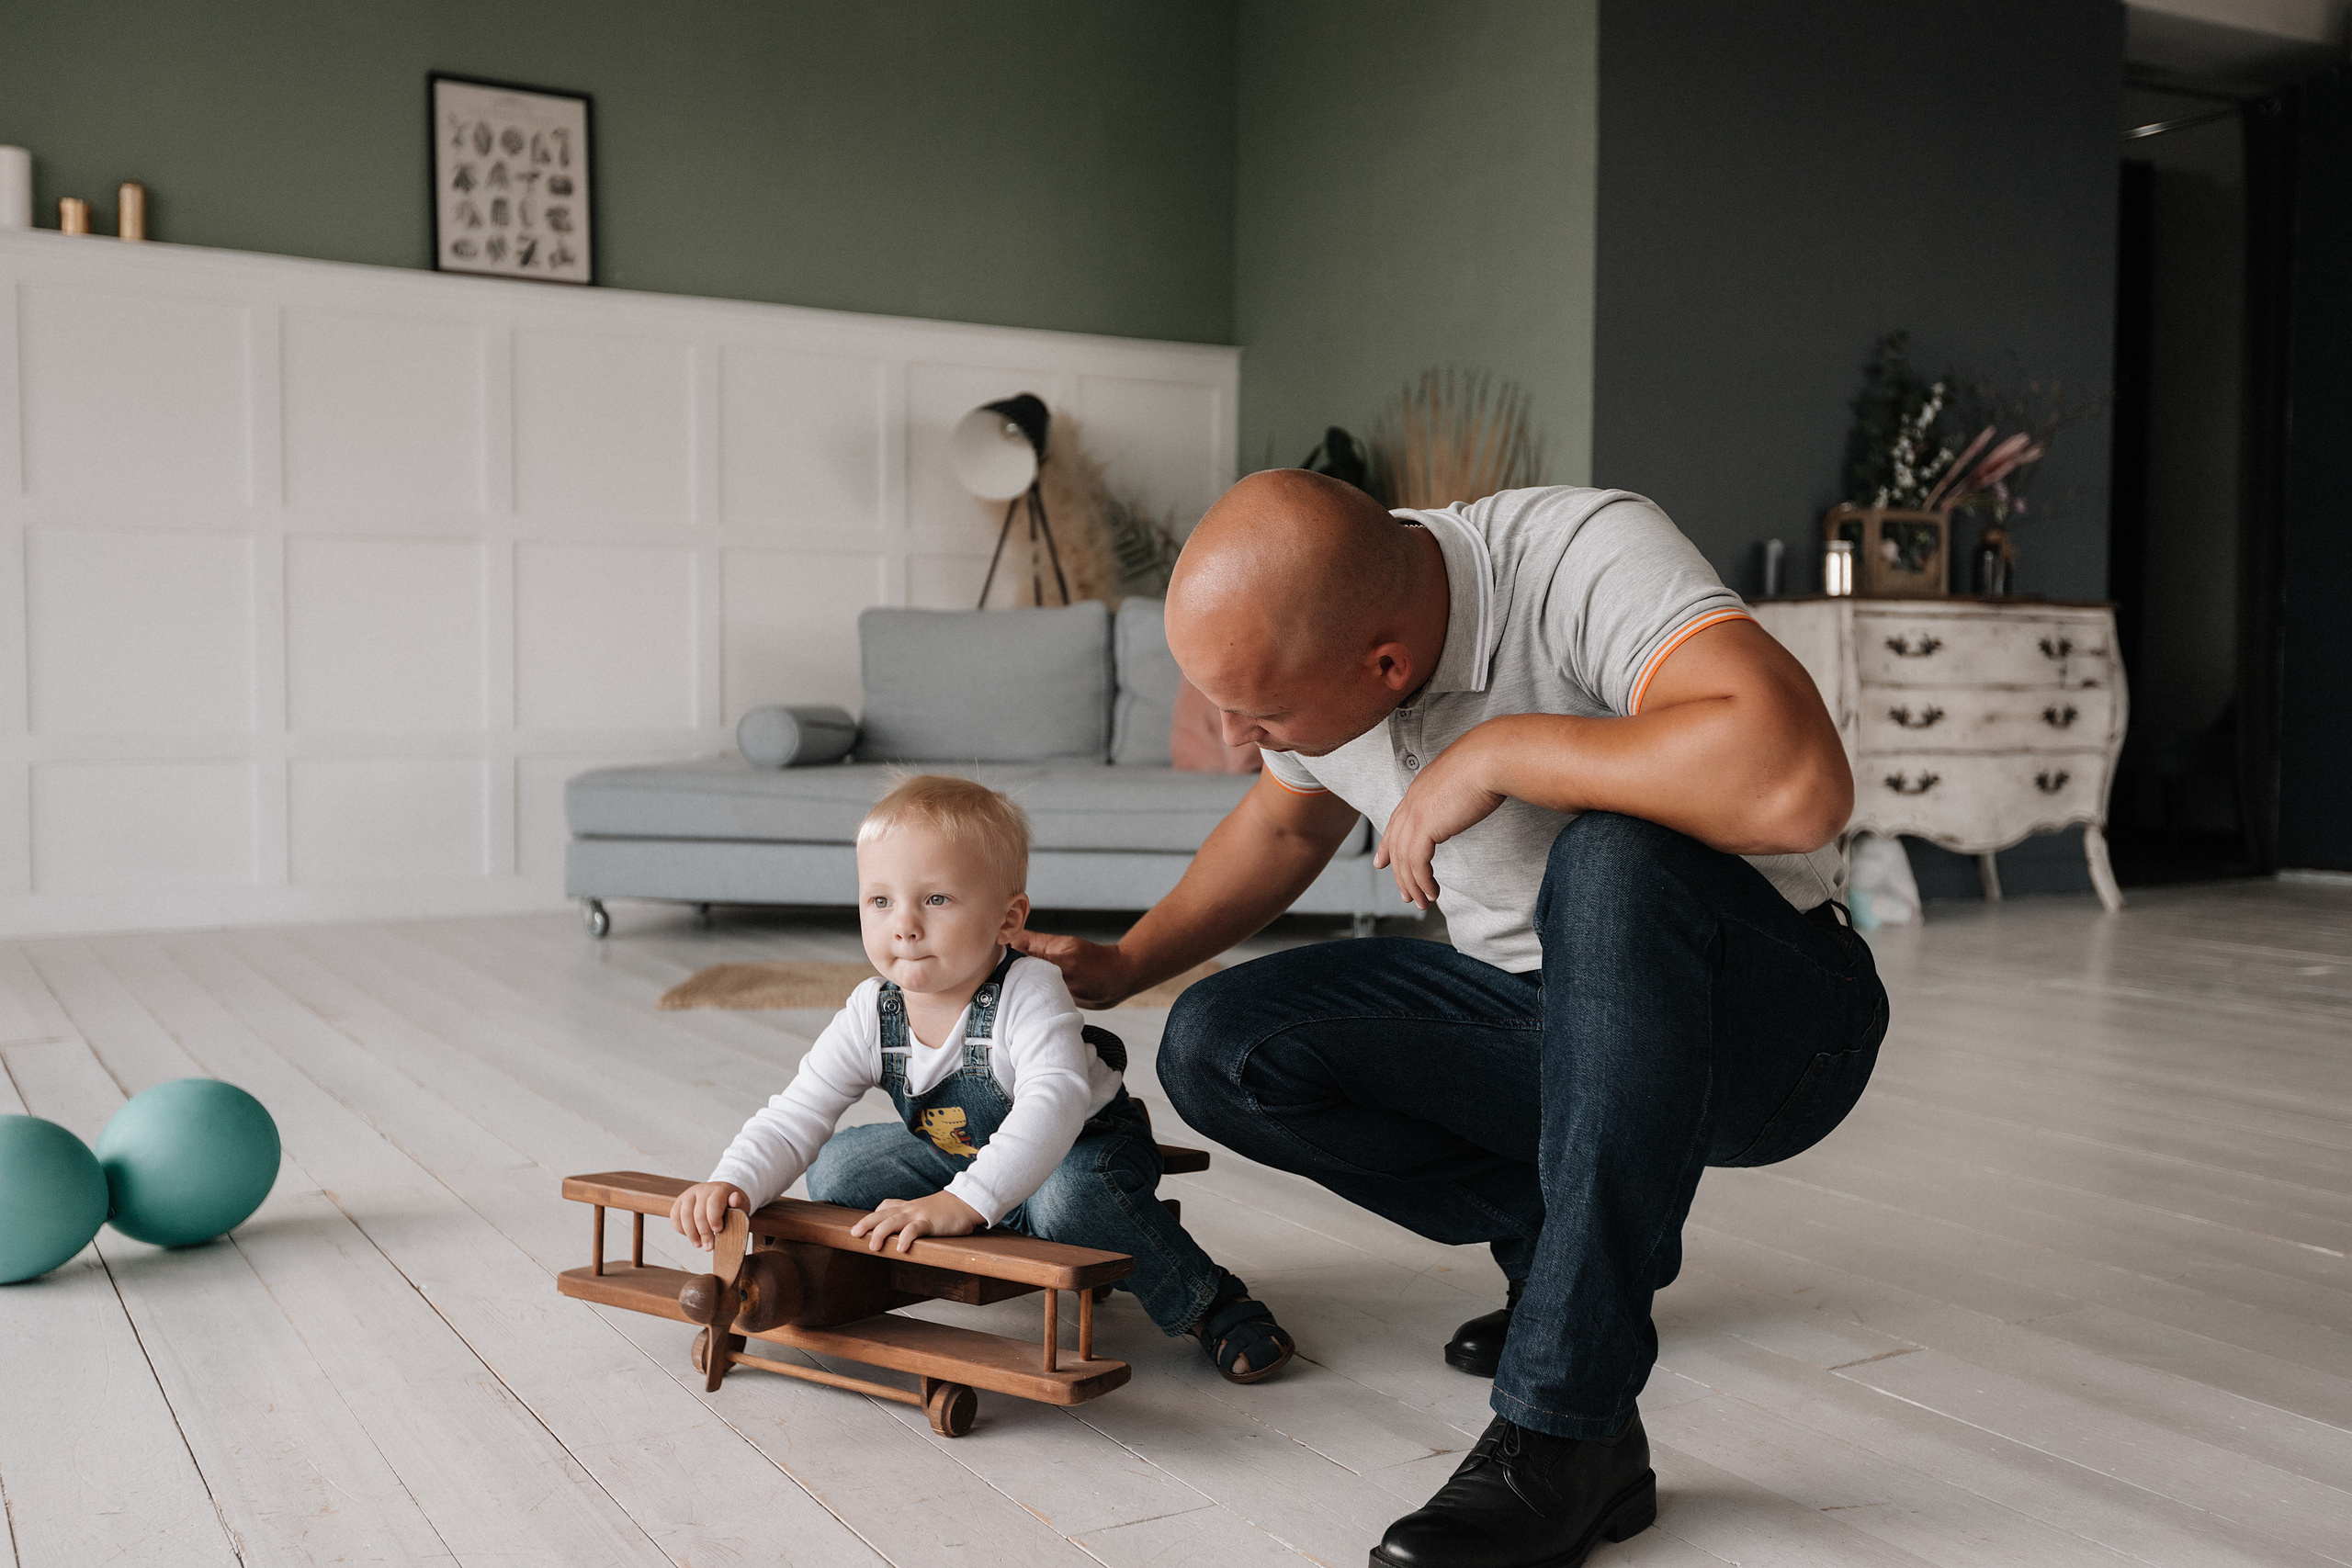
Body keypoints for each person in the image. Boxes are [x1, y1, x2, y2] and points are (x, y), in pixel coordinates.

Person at [1012, 472, 1888, 1568]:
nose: (1238, 738)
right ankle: (1559, 1261)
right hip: (1553, 1031)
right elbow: (1285, 830)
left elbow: (1797, 783)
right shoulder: (1323, 634)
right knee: (1219, 1044)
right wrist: (1130, 959)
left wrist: (1502, 749)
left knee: (1612, 859)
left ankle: (1569, 1429)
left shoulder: (1578, 555)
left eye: (1263, 714)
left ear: (1384, 664)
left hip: (1772, 1031)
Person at [669, 773, 1295, 1384]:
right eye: (880, 900)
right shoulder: (872, 1009)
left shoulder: (1029, 988)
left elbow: (1053, 1101)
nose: (904, 924)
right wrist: (733, 1180)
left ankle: (1210, 1302)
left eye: (936, 899)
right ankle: (1017, 1217)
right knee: (838, 1166)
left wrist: (963, 1202)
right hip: (964, 1153)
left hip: (1085, 1146)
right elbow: (796, 1112)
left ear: (1007, 916)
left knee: (1070, 1200)